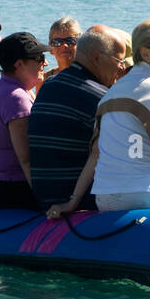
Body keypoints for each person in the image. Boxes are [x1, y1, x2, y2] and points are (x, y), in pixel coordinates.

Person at [48, 19, 150, 216]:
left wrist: (72, 202)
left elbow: (95, 155)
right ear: (144, 53)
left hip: (105, 199)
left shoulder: (110, 94)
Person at [28, 25, 129, 211]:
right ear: (97, 58)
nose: (121, 67)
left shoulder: (48, 86)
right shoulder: (101, 98)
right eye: (119, 60)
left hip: (43, 197)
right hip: (78, 201)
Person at [0, 32, 50, 210]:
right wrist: (46, 202)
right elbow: (26, 159)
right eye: (39, 58)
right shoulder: (17, 99)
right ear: (19, 64)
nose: (45, 63)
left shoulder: (2, 86)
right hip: (5, 187)